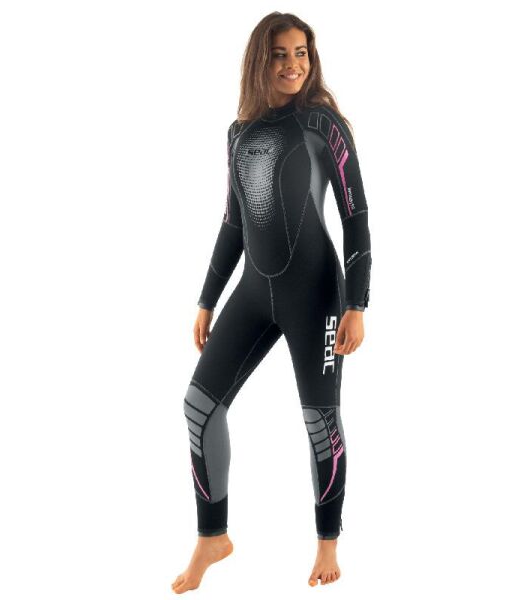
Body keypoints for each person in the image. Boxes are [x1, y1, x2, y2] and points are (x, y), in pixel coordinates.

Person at [172, 11, 371, 593]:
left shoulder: (324, 123)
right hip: (254, 293)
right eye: (281, 54)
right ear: (261, 60)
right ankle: (213, 535)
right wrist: (207, 299)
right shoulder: (238, 134)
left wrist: (357, 304)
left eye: (301, 53)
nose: (292, 64)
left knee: (320, 420)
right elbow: (234, 223)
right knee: (199, 406)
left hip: (317, 296)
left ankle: (327, 543)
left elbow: (356, 216)